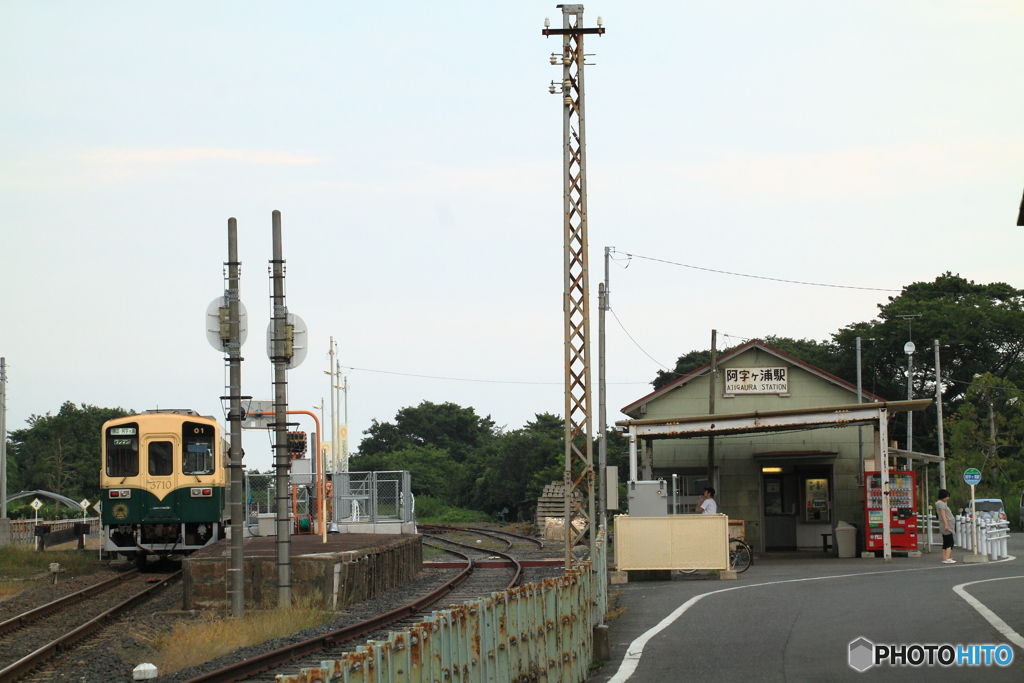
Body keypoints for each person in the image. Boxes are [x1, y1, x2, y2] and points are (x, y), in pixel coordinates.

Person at [936, 489, 955, 564]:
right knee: (950, 542)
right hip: (947, 525)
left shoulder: (939, 503)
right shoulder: (941, 504)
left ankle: (944, 558)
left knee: (945, 542)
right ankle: (947, 558)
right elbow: (943, 514)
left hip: (944, 524)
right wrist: (946, 524)